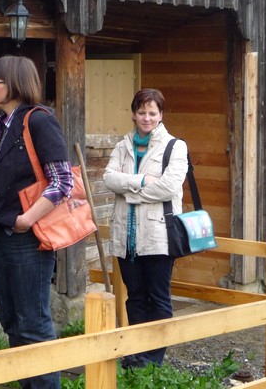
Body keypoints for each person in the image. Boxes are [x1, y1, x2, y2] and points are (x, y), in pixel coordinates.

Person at [0, 55, 72, 389]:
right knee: (11, 321)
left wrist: (26, 219)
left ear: (14, 85)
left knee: (32, 323)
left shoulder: (39, 121)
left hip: (25, 238)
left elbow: (62, 182)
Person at [103, 88, 188, 368]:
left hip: (157, 236)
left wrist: (128, 191)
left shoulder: (175, 147)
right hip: (126, 237)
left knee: (158, 298)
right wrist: (141, 181)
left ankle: (153, 360)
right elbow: (108, 179)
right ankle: (136, 354)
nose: (146, 118)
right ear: (133, 114)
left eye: (152, 113)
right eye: (141, 112)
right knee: (135, 297)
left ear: (161, 115)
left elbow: (168, 187)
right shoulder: (122, 146)